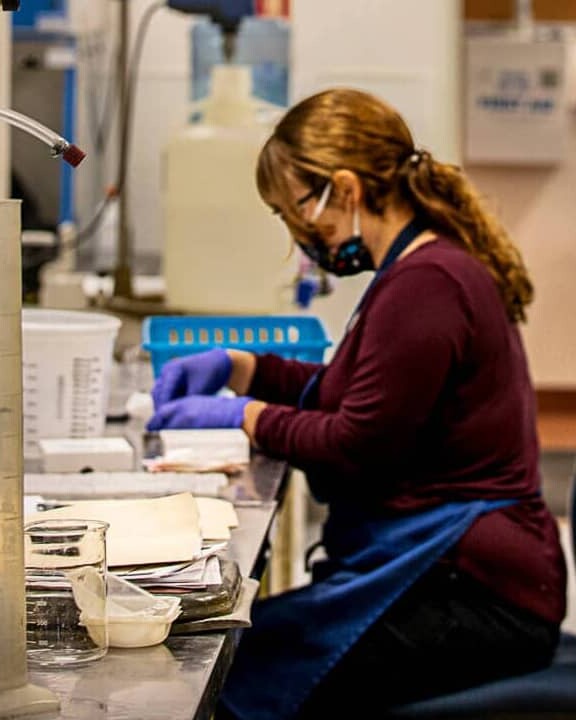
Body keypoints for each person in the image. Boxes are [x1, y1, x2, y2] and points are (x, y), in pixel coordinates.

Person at [147, 88, 567, 719]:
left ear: (343, 190)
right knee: (240, 651)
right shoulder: (417, 269)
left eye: (297, 213)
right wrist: (245, 370)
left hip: (477, 590)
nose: (297, 237)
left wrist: (244, 417)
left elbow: (358, 442)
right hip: (459, 572)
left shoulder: (427, 284)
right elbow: (358, 389)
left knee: (232, 677)